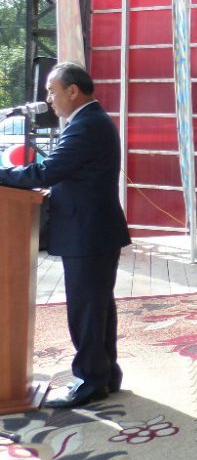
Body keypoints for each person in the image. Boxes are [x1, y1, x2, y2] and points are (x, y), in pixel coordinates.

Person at [0, 62, 131, 409]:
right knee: (97, 307)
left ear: (73, 91)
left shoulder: (86, 125)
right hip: (93, 231)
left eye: (52, 91)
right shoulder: (91, 121)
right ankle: (105, 375)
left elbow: (48, 170)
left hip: (88, 233)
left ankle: (90, 381)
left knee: (87, 309)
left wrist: (2, 174)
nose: (48, 99)